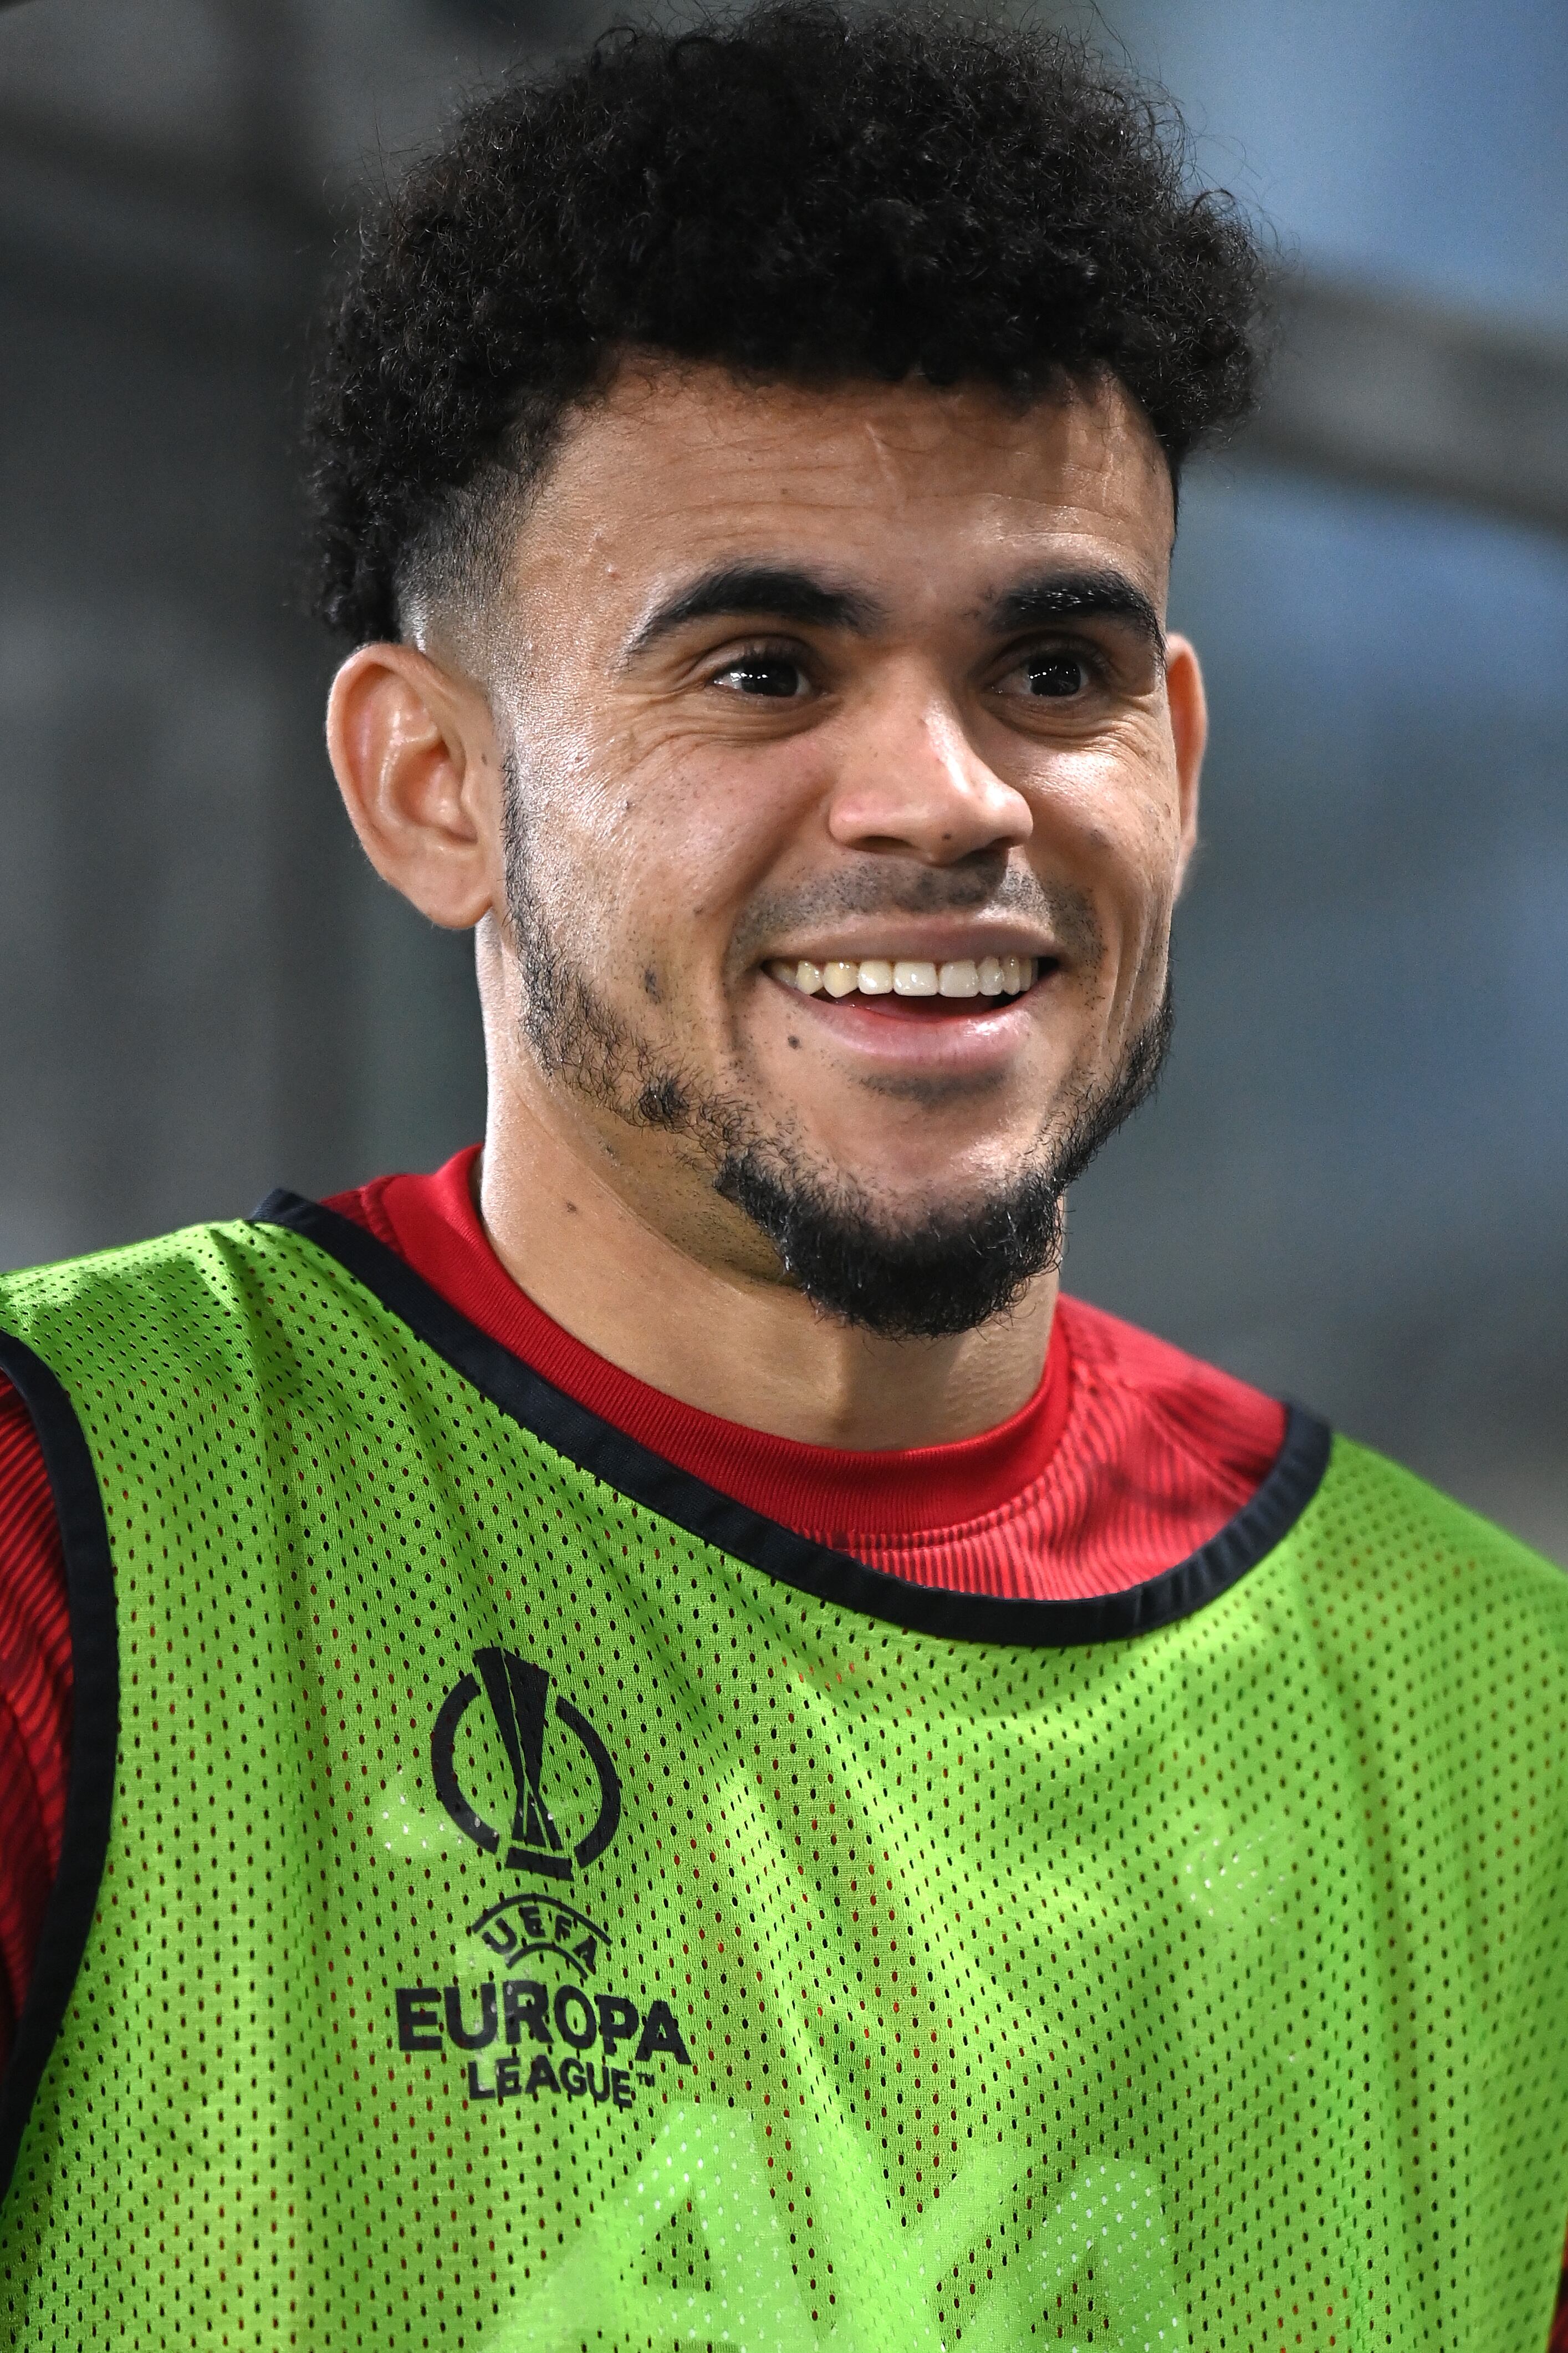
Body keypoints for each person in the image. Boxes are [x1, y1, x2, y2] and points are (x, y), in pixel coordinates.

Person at [0, 7, 1564, 2346]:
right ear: (432, 783)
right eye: (757, 668)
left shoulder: (1505, 1738)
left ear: (1183, 755)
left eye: (1054, 663)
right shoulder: (60, 1526)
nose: (945, 796)